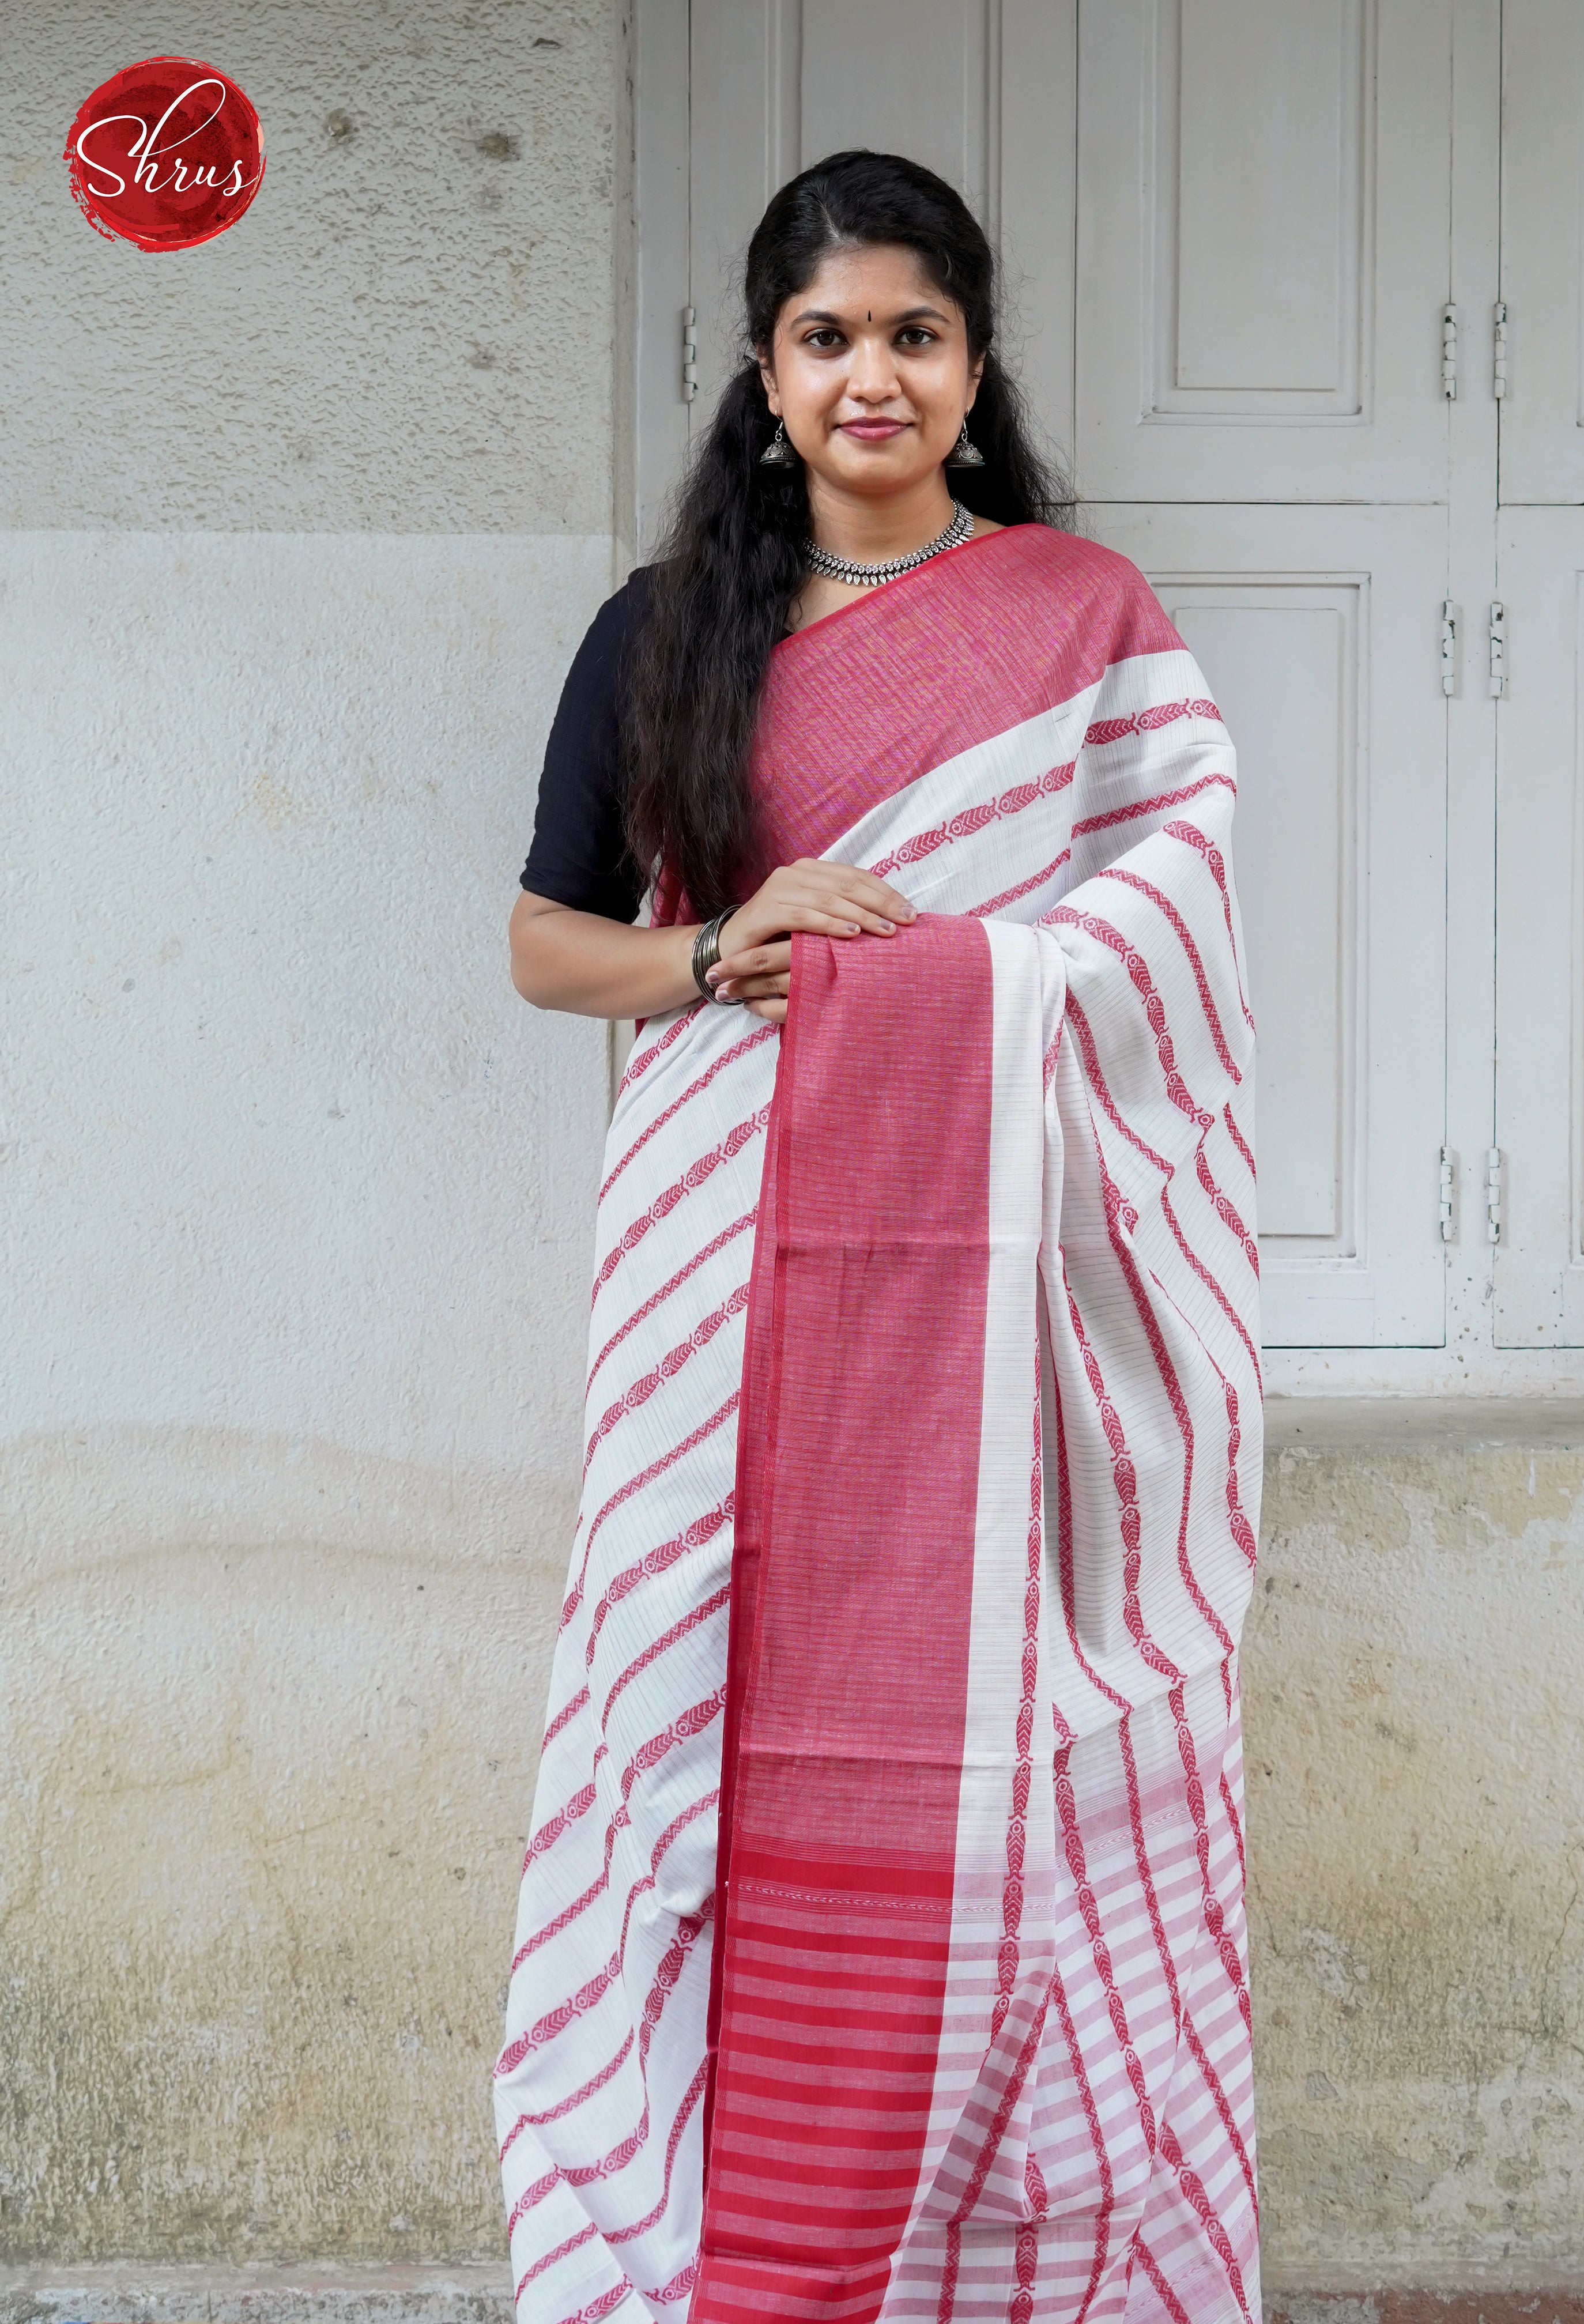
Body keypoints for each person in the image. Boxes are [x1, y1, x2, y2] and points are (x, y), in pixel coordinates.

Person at [496, 149, 1262, 2324]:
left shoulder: (1081, 617)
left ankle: (1001, 2248)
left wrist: (960, 985)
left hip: (1005, 1288)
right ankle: (707, 2234)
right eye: (827, 337)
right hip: (712, 1273)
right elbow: (552, 952)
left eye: (913, 334)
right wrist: (732, 945)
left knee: (1018, 1734)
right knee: (683, 1701)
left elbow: (1169, 923)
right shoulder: (660, 636)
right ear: (763, 374)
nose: (872, 376)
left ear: (975, 365)